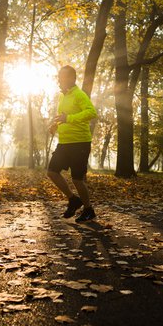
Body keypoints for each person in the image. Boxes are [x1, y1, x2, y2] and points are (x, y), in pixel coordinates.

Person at [46, 65, 97, 222]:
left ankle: (89, 210)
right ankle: (73, 199)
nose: (61, 79)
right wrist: (56, 124)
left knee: (77, 179)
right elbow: (63, 116)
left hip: (80, 142)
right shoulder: (63, 96)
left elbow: (92, 112)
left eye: (64, 77)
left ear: (73, 78)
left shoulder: (79, 95)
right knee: (52, 172)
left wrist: (68, 119)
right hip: (65, 142)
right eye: (60, 76)